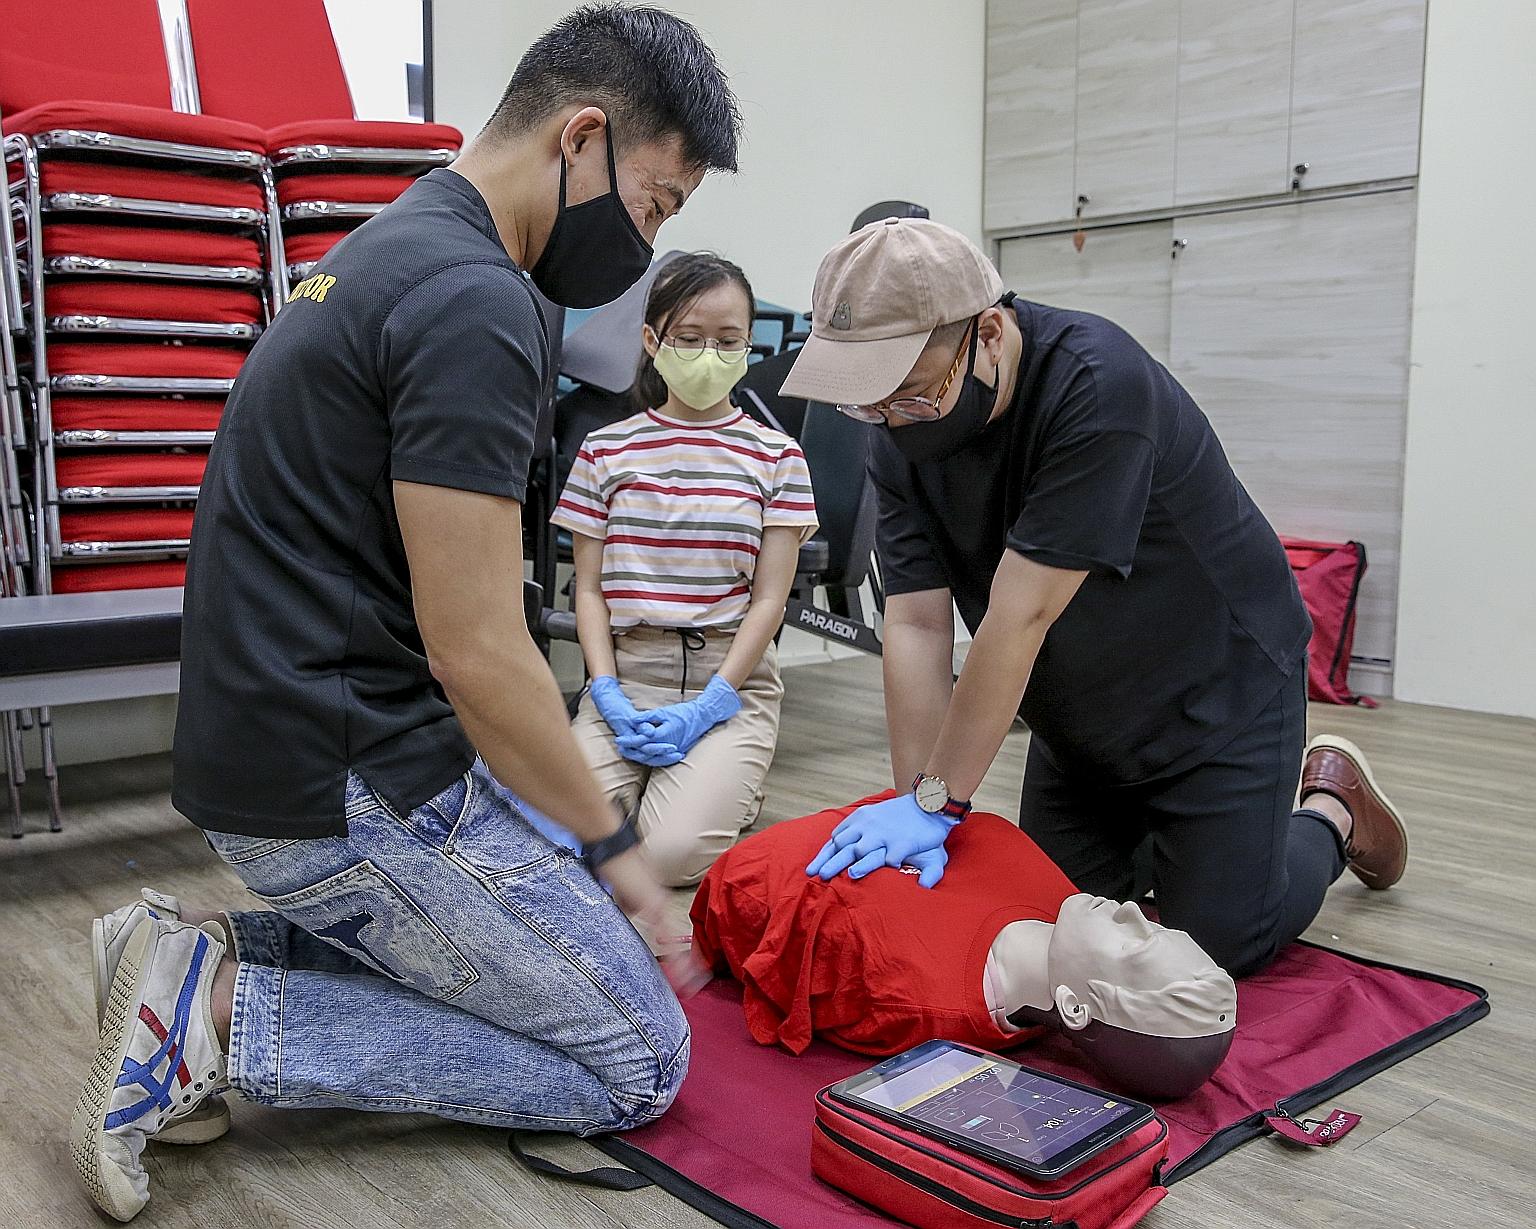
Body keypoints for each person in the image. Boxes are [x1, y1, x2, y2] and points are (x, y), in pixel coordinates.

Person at [69, 6, 741, 1221]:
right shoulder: (474, 299)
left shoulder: (386, 246)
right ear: (580, 137)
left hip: (271, 753)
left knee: (549, 962)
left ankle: (187, 955)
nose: (647, 243)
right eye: (656, 204)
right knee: (641, 1057)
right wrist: (615, 851)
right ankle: (219, 1020)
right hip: (347, 782)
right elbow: (478, 649)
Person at [779, 219, 1409, 981]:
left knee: (1215, 947)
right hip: (1076, 703)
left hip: (1215, 688)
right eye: (867, 407)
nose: (887, 422)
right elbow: (914, 621)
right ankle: (1169, 839)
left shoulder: (1095, 385)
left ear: (987, 331)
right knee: (1054, 926)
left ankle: (1332, 809)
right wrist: (916, 804)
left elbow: (1020, 615)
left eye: (912, 397)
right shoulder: (894, 428)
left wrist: (942, 800)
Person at [551, 253, 818, 887]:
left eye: (728, 341)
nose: (709, 355)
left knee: (665, 859)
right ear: (652, 341)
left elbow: (768, 601)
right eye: (689, 338)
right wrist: (606, 691)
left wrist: (714, 702)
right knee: (562, 843)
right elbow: (587, 589)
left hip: (729, 683)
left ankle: (730, 777)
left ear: (748, 345)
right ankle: (678, 781)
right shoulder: (604, 450)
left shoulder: (778, 456)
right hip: (626, 676)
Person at [693, 798, 1237, 1101]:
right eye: (1158, 926)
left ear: (1074, 1007)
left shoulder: (903, 998)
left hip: (751, 870)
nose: (1131, 911)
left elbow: (738, 898)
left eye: (1134, 942)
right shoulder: (1062, 900)